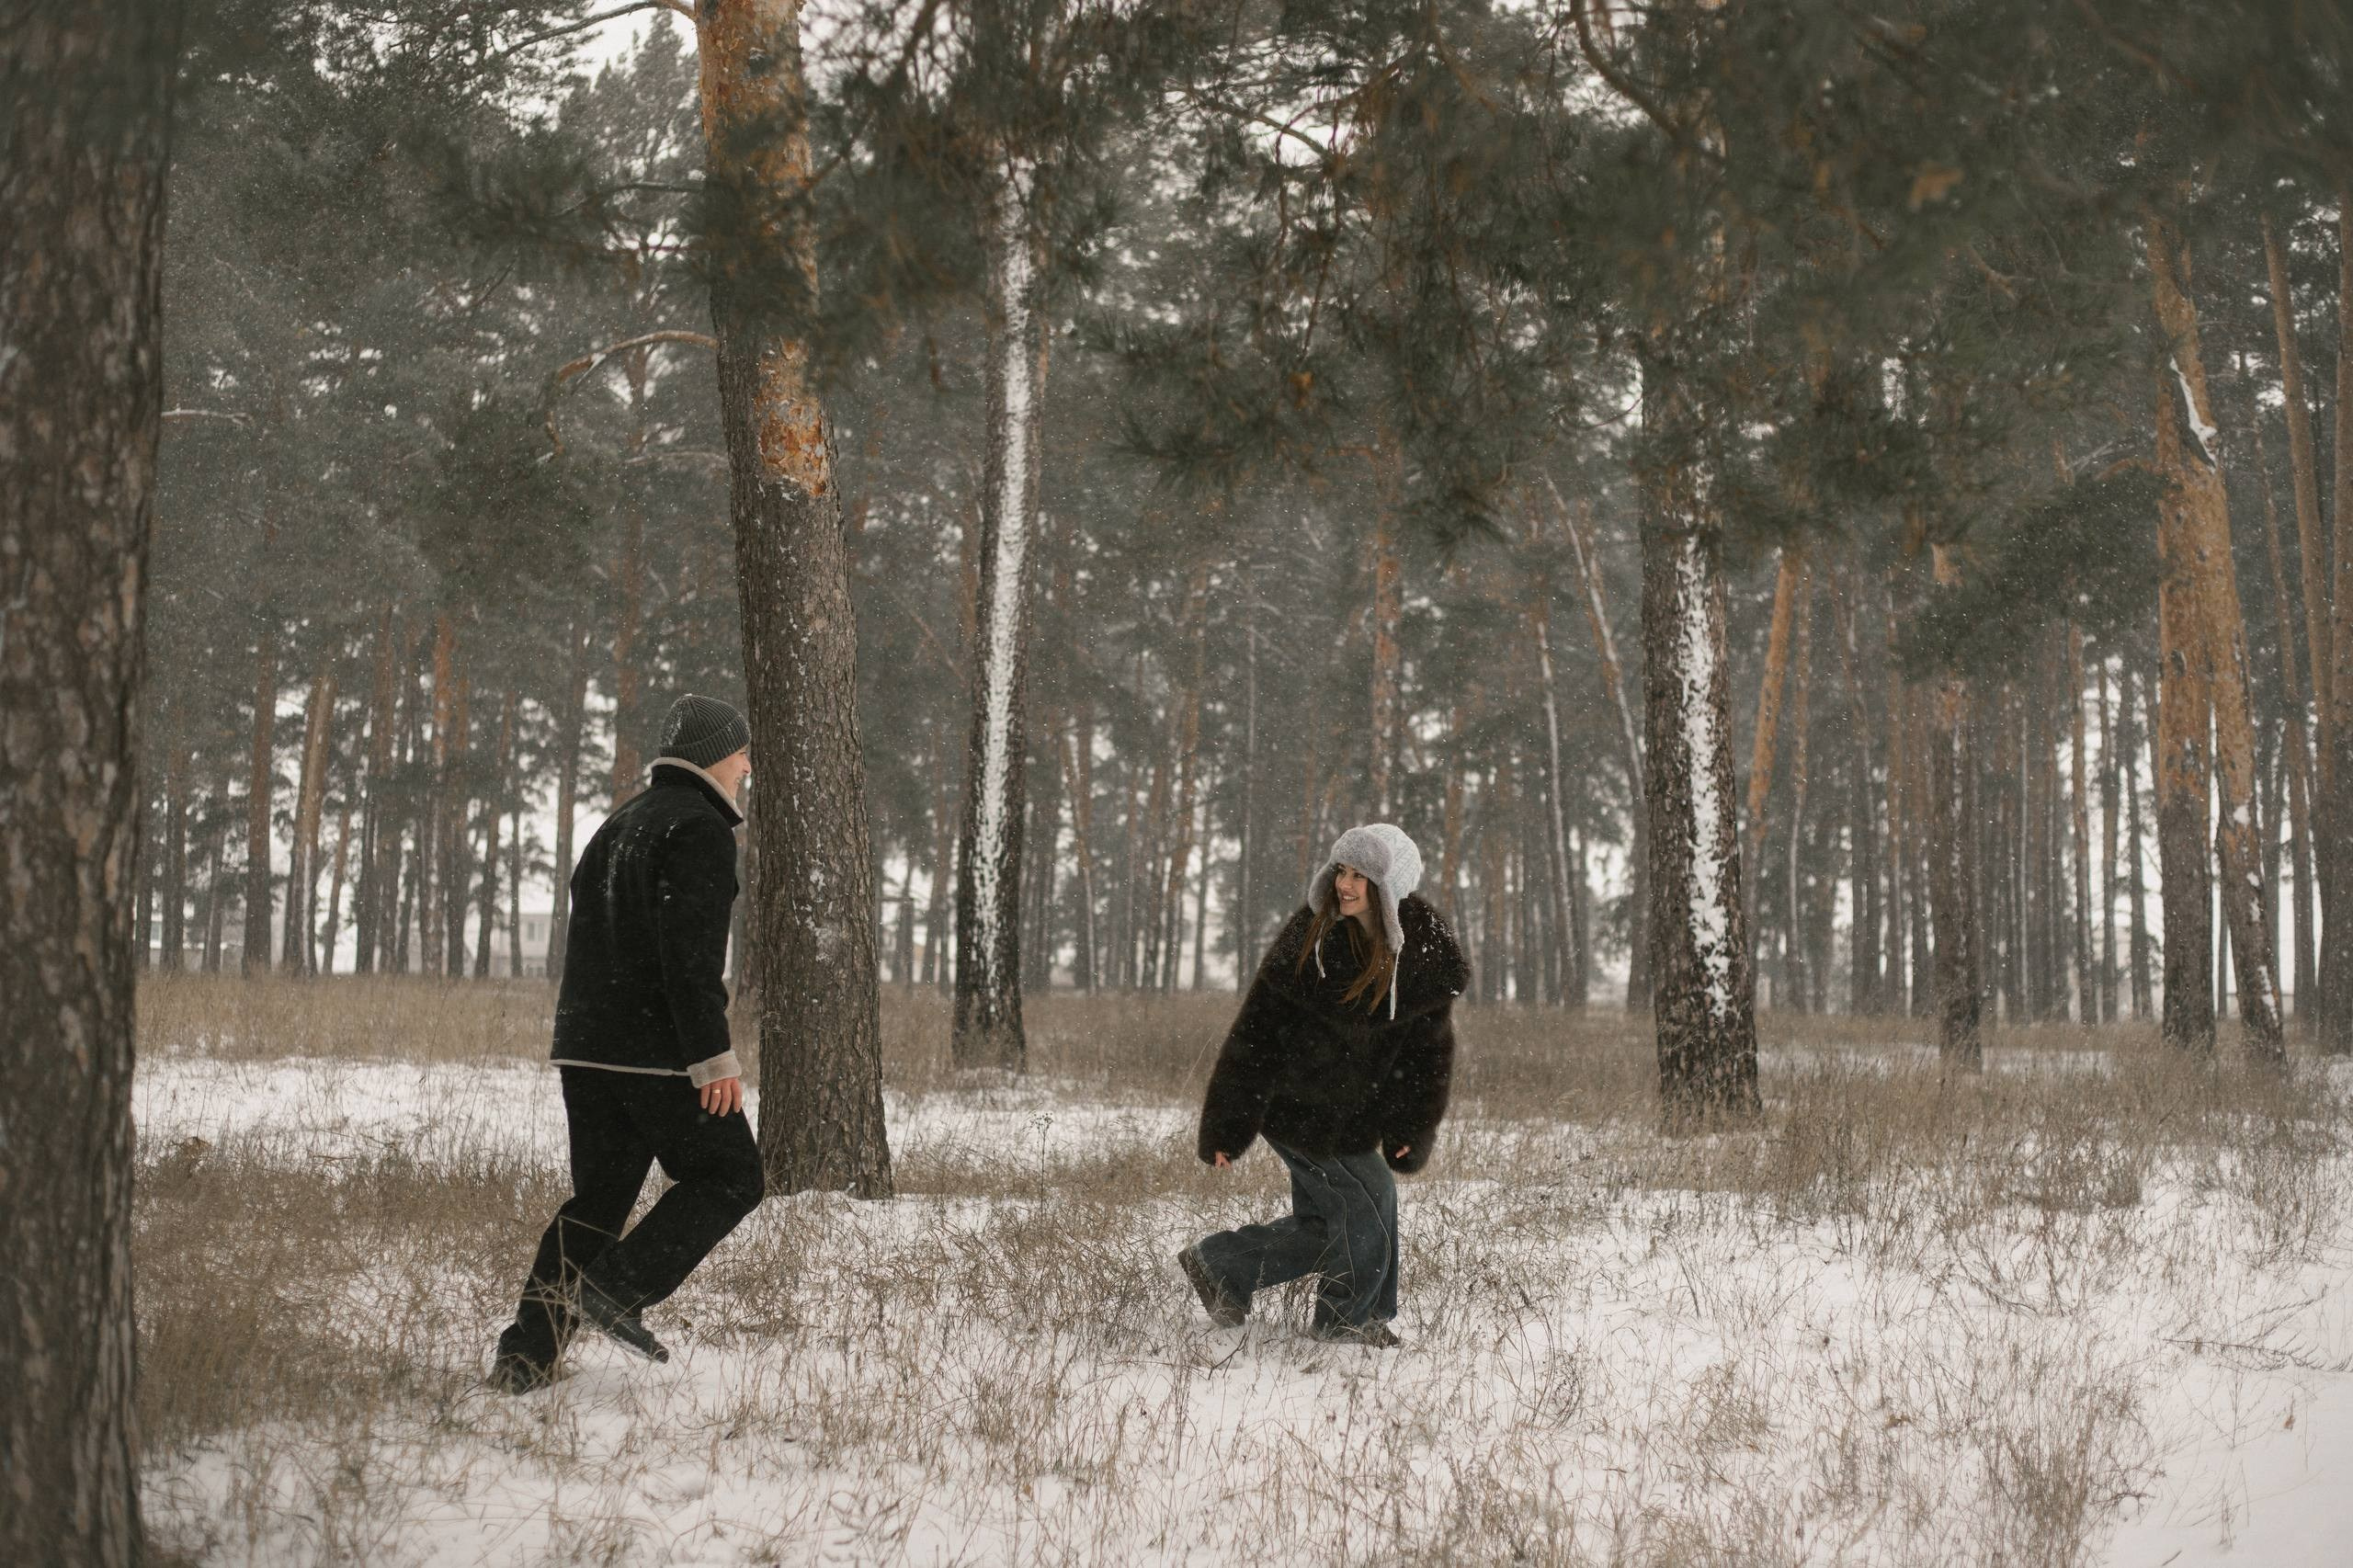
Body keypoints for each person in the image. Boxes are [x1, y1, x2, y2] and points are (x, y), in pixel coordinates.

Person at [487, 693, 766, 1393]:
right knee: (732, 1176)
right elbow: (689, 960)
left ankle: (525, 1359)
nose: (747, 767)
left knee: (598, 1203)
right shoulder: (699, 829)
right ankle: (617, 1287)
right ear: (713, 755)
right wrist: (712, 1059)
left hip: (585, 1049)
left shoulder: (618, 825)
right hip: (657, 1054)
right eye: (741, 752)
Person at [1180, 822, 1468, 1346]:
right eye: (1342, 871)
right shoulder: (1308, 938)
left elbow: (1428, 1057)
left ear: (1390, 886)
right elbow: (1254, 1036)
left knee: (1326, 1225)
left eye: (1361, 875)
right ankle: (1349, 1320)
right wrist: (1227, 1126)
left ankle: (1224, 1264)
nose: (1345, 885)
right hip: (1295, 1107)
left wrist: (1410, 1128)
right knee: (1369, 1199)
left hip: (1354, 1112)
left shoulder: (1421, 956)